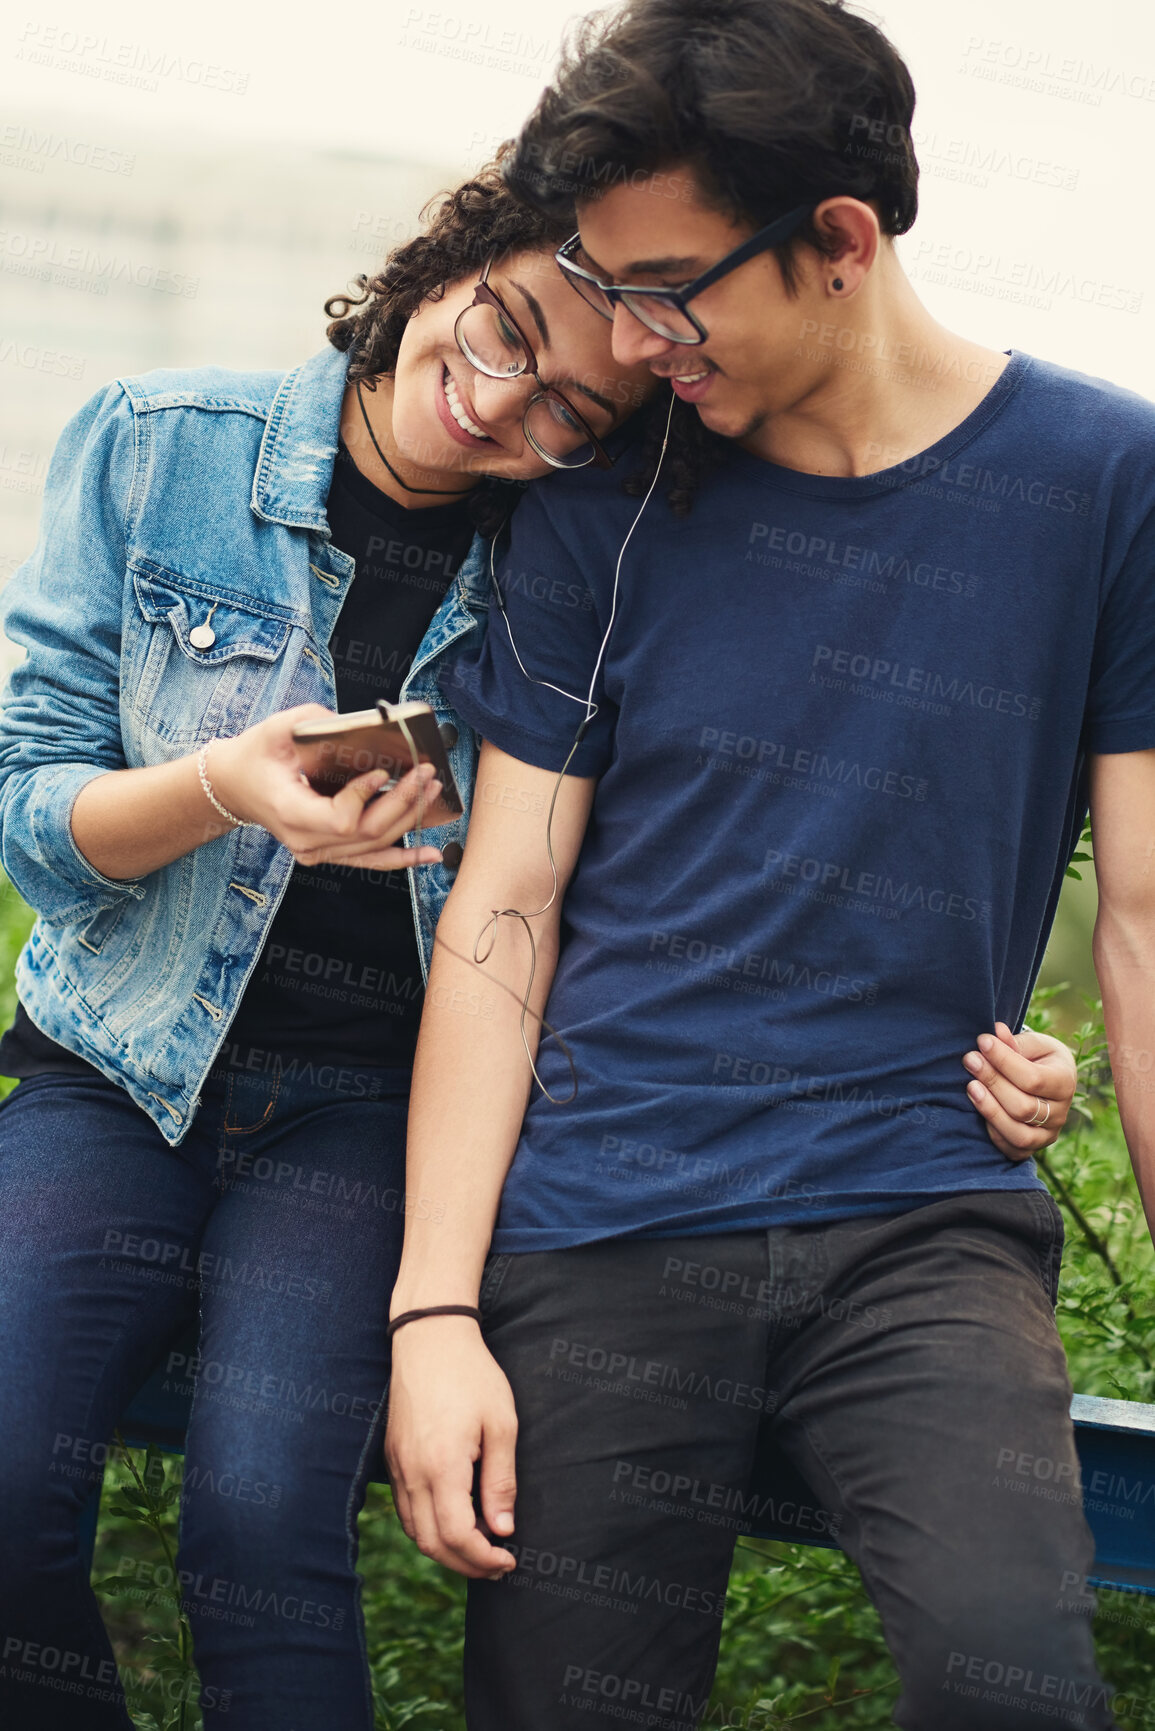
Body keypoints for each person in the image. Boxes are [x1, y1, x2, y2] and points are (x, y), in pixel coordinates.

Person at [383, 4, 1155, 1728]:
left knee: (1017, 1689)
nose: (636, 341)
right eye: (608, 284)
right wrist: (434, 1310)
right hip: (598, 1225)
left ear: (839, 243)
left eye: (670, 288)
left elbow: (1148, 937)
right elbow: (506, 908)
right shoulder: (609, 498)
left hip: (921, 1230)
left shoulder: (1105, 480)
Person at [0, 159, 657, 1730]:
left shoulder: (567, 575)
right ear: (447, 258)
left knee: (259, 1518)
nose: (505, 410)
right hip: (116, 1076)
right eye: (503, 330)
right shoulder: (158, 444)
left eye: (572, 408)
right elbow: (30, 813)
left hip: (369, 1113)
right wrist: (221, 789)